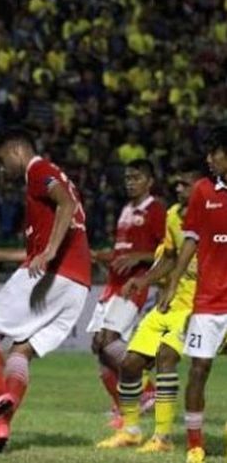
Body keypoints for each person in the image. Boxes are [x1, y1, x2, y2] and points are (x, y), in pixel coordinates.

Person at [0, 127, 91, 455]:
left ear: (17, 150)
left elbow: (66, 202)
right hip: (78, 285)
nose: (3, 167)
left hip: (54, 274)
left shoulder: (38, 170)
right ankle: (0, 427)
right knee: (21, 352)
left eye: (3, 159)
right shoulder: (46, 182)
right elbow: (38, 246)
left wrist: (49, 253)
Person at [95, 158, 203, 452]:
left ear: (202, 187)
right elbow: (168, 257)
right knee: (130, 364)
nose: (179, 188)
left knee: (167, 357)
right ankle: (130, 431)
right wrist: (144, 281)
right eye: (177, 184)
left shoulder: (216, 218)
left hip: (197, 306)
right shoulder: (172, 216)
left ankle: (163, 438)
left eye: (185, 184)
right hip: (168, 304)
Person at [158, 126, 227, 463]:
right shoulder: (202, 190)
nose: (209, 159)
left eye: (216, 152)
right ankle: (196, 443)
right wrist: (172, 283)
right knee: (199, 368)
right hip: (209, 300)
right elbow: (191, 239)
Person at [86, 159, 165, 427]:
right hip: (112, 284)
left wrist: (138, 257)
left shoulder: (154, 209)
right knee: (98, 346)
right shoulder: (126, 209)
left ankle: (146, 390)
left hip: (134, 285)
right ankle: (122, 408)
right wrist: (102, 256)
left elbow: (168, 250)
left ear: (150, 181)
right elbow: (122, 252)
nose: (131, 182)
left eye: (137, 177)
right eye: (128, 178)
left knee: (109, 340)